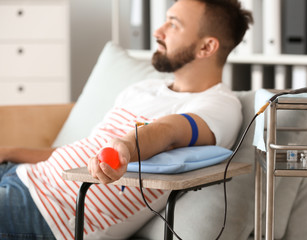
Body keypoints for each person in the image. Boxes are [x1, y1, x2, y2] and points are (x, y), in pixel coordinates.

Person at [0, 0, 253, 239]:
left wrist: (126, 147)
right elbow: (78, 151)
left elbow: (168, 131)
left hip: (51, 213)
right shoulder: (142, 89)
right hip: (22, 175)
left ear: (206, 47)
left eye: (174, 24)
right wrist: (10, 152)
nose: (158, 31)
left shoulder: (219, 105)